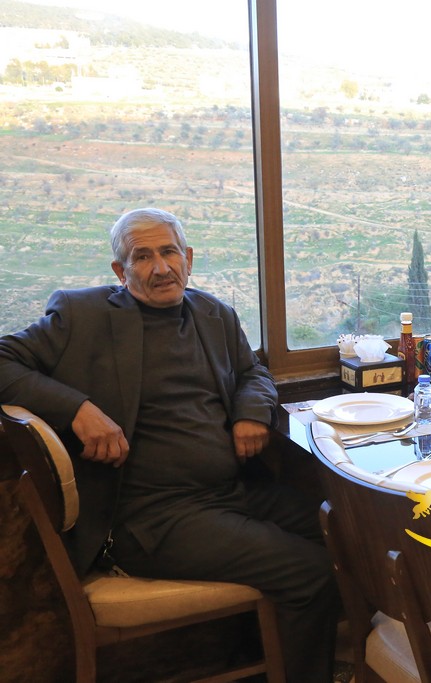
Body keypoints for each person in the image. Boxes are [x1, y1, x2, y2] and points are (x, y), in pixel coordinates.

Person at [0, 208, 339, 681]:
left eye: (169, 252)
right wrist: (78, 409)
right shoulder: (83, 315)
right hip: (151, 516)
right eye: (142, 257)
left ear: (188, 258)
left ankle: (278, 658)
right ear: (120, 271)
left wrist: (249, 412)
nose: (161, 268)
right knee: (309, 572)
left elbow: (253, 372)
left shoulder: (214, 314)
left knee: (344, 531)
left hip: (231, 493)